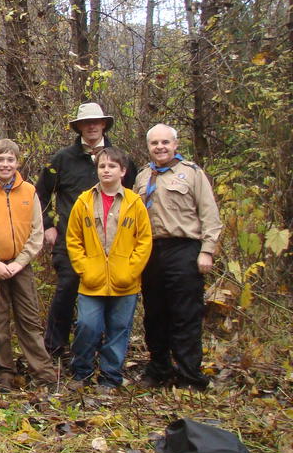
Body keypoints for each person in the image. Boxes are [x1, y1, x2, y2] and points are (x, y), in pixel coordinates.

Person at [35, 103, 136, 358]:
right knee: (67, 287)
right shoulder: (62, 159)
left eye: (96, 122)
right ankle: (55, 348)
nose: (91, 126)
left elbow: (133, 195)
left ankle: (102, 350)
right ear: (79, 126)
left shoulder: (118, 158)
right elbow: (41, 193)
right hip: (70, 239)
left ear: (103, 124)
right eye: (86, 122)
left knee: (109, 294)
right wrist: (48, 225)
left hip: (112, 242)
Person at [134, 124, 221, 390]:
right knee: (155, 314)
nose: (160, 147)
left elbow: (209, 214)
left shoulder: (192, 173)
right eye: (154, 143)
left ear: (175, 144)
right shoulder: (143, 176)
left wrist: (207, 250)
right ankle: (159, 369)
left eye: (165, 142)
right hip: (150, 252)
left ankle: (189, 375)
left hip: (184, 249)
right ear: (148, 147)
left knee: (185, 314)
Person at [0, 138, 56, 389]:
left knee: (29, 319)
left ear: (17, 162)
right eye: (0, 159)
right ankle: (4, 371)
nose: (5, 164)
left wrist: (20, 262)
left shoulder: (29, 191)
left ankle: (43, 372)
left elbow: (37, 232)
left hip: (21, 267)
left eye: (10, 159)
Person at [65, 147, 152, 392]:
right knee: (87, 325)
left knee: (118, 330)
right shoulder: (84, 201)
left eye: (112, 166)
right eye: (102, 166)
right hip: (92, 281)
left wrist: (131, 270)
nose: (106, 170)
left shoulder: (134, 203)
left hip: (125, 281)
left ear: (122, 171)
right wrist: (84, 268)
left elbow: (144, 240)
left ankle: (110, 377)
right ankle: (81, 372)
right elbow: (73, 239)